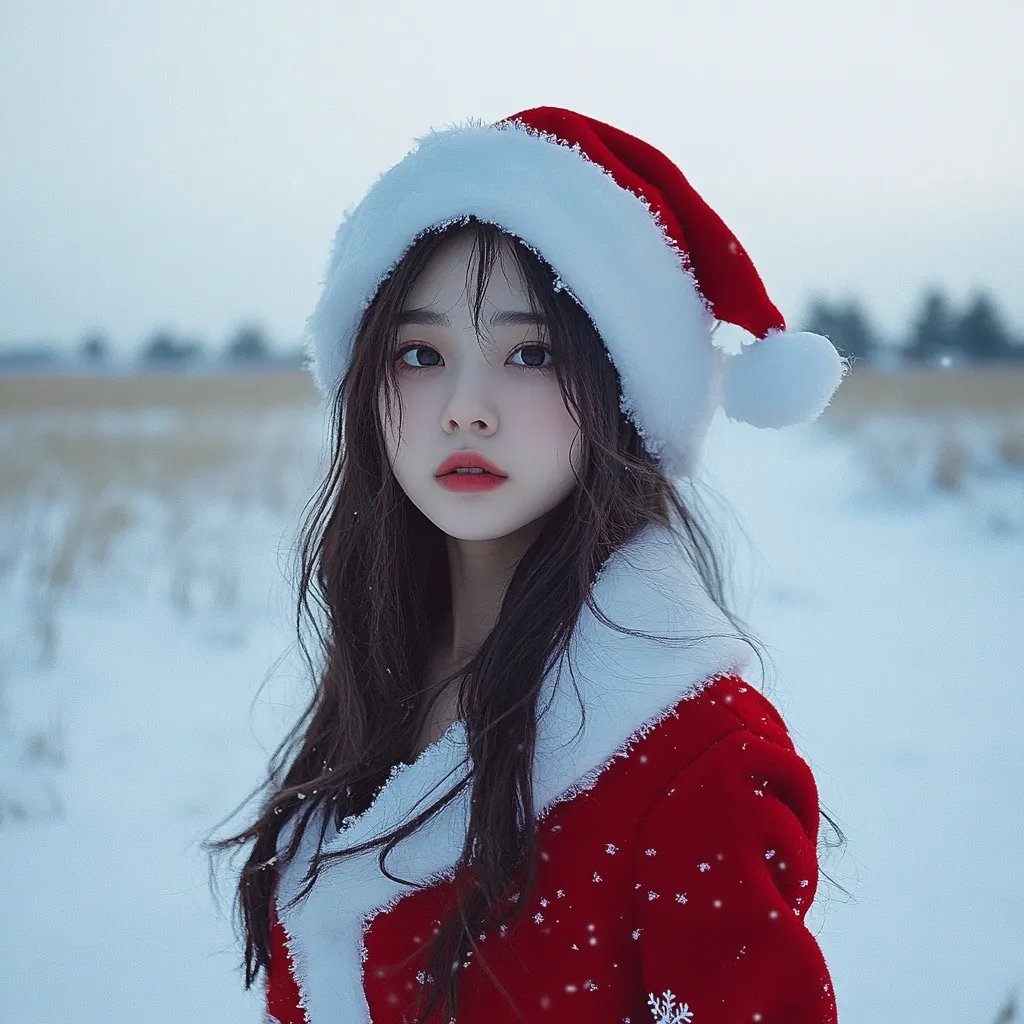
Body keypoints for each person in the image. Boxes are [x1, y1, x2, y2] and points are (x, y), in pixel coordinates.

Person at [212, 106, 849, 1024]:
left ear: (622, 392)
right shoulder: (384, 681)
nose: (466, 408)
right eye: (421, 353)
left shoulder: (695, 760)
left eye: (531, 353)